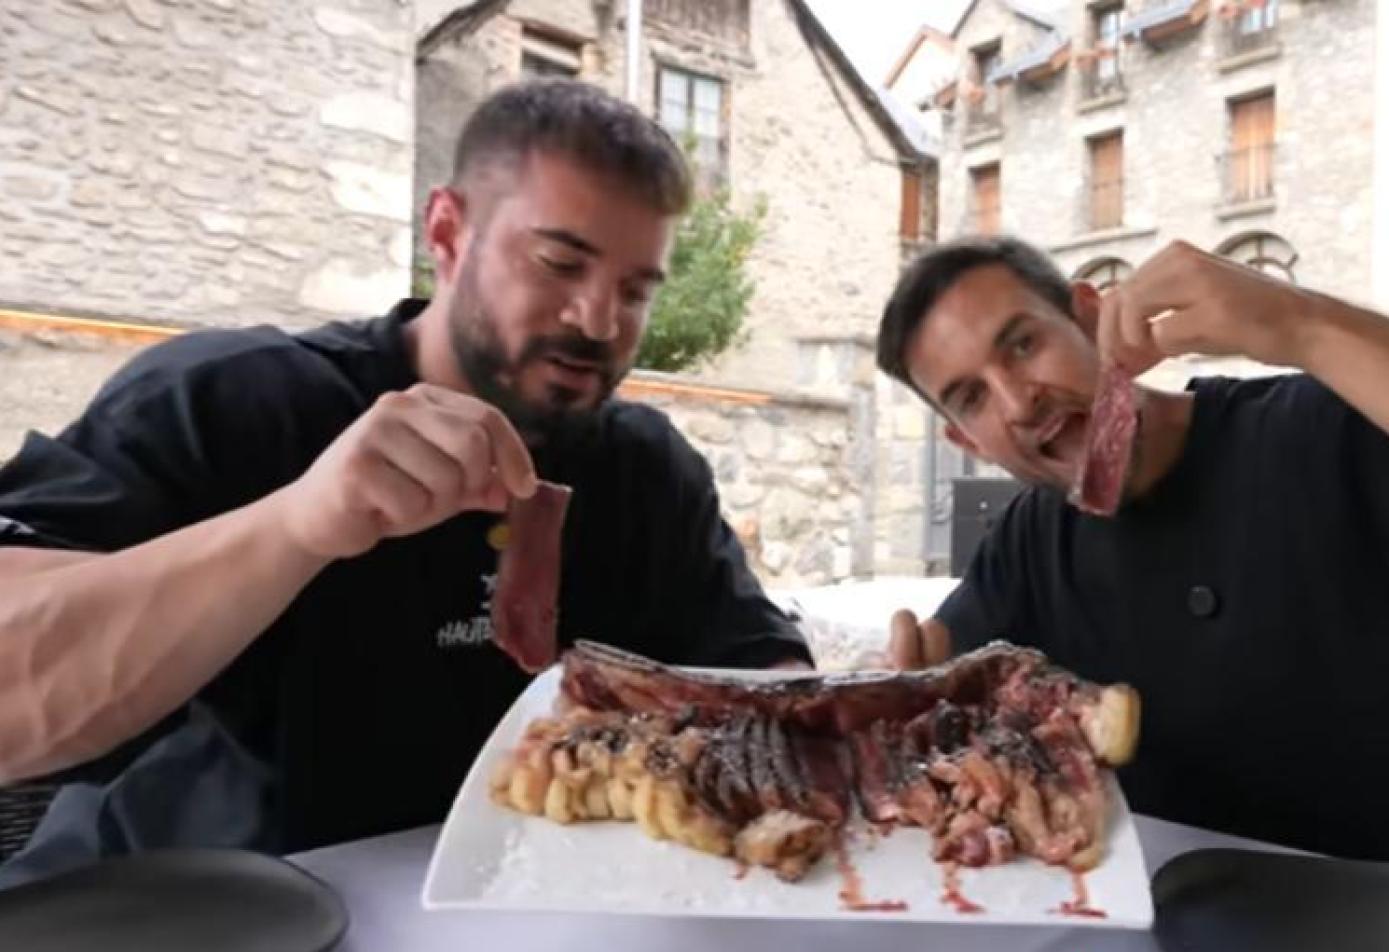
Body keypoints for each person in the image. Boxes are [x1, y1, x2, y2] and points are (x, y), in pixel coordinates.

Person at [0, 80, 809, 885]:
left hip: (526, 917)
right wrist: (296, 527)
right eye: (560, 263)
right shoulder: (231, 398)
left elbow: (765, 680)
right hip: (180, 918)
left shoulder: (644, 469)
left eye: (635, 292)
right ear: (448, 232)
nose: (598, 321)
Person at [876, 235, 1389, 895]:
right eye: (972, 398)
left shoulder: (1320, 439)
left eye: (1022, 345)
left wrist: (1304, 327)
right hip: (1188, 926)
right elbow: (944, 683)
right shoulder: (1032, 536)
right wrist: (915, 699)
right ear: (962, 441)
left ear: (1091, 316)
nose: (1019, 402)